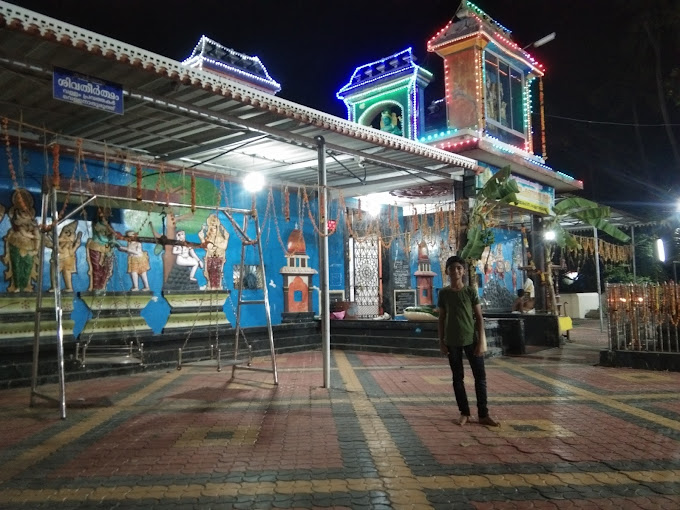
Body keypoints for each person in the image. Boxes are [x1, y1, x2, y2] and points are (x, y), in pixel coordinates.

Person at [437, 255, 500, 427]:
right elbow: (441, 319)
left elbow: (479, 318)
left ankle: (483, 414)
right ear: (447, 271)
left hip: (472, 340)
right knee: (457, 378)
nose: (455, 271)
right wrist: (441, 342)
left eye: (459, 268)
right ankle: (464, 412)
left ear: (463, 271)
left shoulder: (470, 292)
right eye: (452, 268)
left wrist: (480, 342)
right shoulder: (443, 294)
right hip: (451, 341)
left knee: (480, 377)